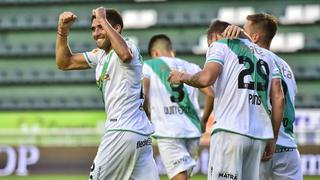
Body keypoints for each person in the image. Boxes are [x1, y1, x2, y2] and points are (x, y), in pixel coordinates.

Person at [168, 20, 285, 180]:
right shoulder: (267, 56)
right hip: (259, 137)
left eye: (210, 44)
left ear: (215, 37)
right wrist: (273, 137)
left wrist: (181, 76)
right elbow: (278, 96)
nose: (210, 48)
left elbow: (206, 78)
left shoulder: (220, 45)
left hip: (230, 131)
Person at [55, 7, 159, 180]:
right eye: (93, 29)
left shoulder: (128, 46)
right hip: (139, 136)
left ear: (116, 28)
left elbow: (125, 54)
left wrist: (102, 18)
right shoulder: (101, 55)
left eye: (100, 27)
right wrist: (62, 30)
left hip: (121, 132)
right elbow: (64, 62)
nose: (96, 33)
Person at [223, 13, 302, 180]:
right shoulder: (285, 65)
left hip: (264, 143)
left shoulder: (255, 62)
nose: (241, 32)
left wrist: (272, 138)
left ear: (255, 37)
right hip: (288, 147)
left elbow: (277, 98)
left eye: (245, 30)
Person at [143, 34, 214, 180]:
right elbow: (211, 93)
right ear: (172, 51)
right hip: (193, 132)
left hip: (168, 131)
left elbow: (143, 93)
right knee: (184, 176)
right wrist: (204, 120)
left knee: (179, 177)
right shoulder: (191, 66)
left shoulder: (149, 65)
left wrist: (147, 115)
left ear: (155, 53)